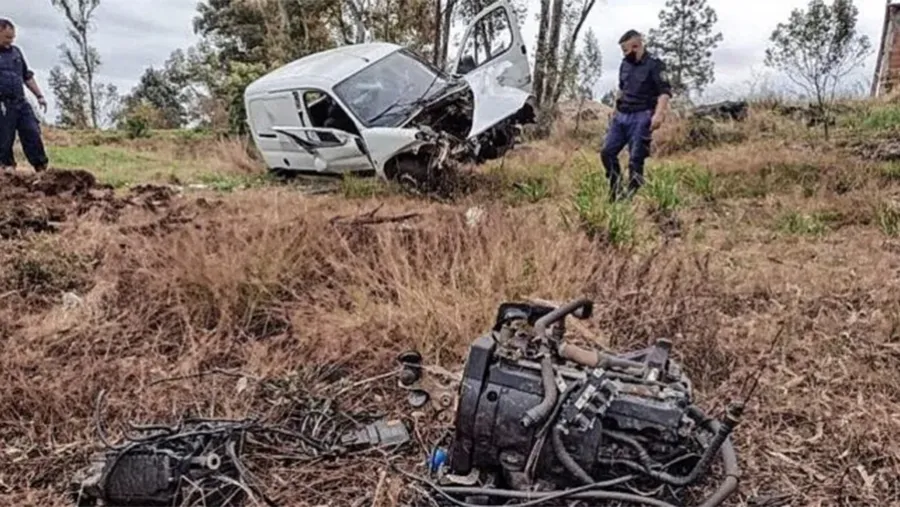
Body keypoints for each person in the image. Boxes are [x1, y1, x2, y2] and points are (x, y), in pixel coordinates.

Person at [600, 29, 672, 200]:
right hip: (622, 115)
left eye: (626, 50)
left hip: (642, 115)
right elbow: (622, 89)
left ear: (636, 46)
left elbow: (664, 92)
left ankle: (632, 191)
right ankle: (615, 187)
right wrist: (614, 109)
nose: (624, 54)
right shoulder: (625, 64)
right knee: (607, 152)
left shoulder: (655, 65)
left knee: (636, 156)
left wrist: (659, 114)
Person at [0, 18, 49, 173]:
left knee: (32, 132)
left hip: (21, 102)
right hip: (2, 104)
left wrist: (39, 96)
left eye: (12, 37)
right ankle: (7, 169)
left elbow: (26, 76)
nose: (10, 40)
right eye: (7, 37)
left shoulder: (16, 52)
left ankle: (41, 168)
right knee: (4, 139)